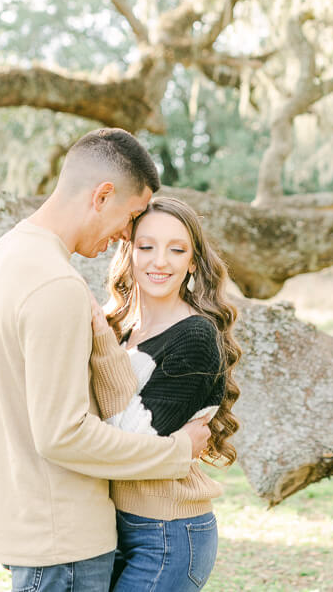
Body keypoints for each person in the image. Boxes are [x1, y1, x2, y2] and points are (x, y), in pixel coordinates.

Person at [0, 128, 212, 592]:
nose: (126, 235)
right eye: (129, 218)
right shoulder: (56, 285)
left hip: (29, 519)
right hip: (63, 535)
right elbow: (63, 434)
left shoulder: (9, 252)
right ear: (102, 195)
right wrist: (179, 451)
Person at [91, 196, 243, 592]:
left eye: (176, 250)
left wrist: (99, 341)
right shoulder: (125, 329)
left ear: (193, 262)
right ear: (129, 251)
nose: (160, 261)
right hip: (117, 524)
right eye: (146, 246)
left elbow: (133, 440)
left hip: (168, 534)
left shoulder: (195, 336)